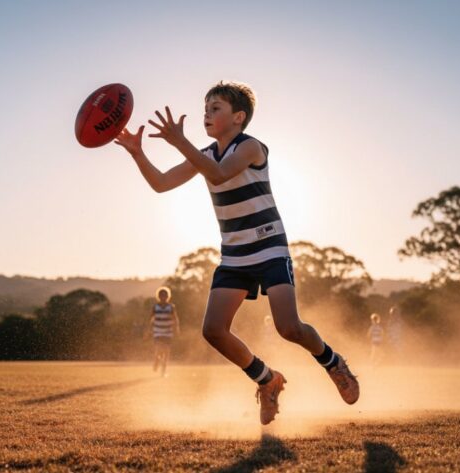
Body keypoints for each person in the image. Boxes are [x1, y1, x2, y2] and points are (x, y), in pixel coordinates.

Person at [115, 81, 359, 425]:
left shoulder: (251, 147)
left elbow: (218, 174)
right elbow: (161, 184)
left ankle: (333, 363)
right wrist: (138, 153)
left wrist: (180, 142)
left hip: (269, 245)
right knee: (213, 330)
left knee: (288, 327)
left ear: (239, 117)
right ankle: (266, 379)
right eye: (205, 108)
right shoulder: (204, 154)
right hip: (234, 254)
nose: (207, 114)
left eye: (215, 108)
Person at [145, 287, 180, 377]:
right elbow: (150, 319)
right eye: (161, 295)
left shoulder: (171, 307)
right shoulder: (155, 307)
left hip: (168, 333)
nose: (163, 297)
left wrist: (177, 329)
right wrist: (147, 331)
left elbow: (175, 319)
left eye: (165, 295)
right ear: (158, 296)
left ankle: (163, 371)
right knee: (159, 350)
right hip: (158, 332)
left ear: (168, 296)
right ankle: (156, 361)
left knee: (166, 352)